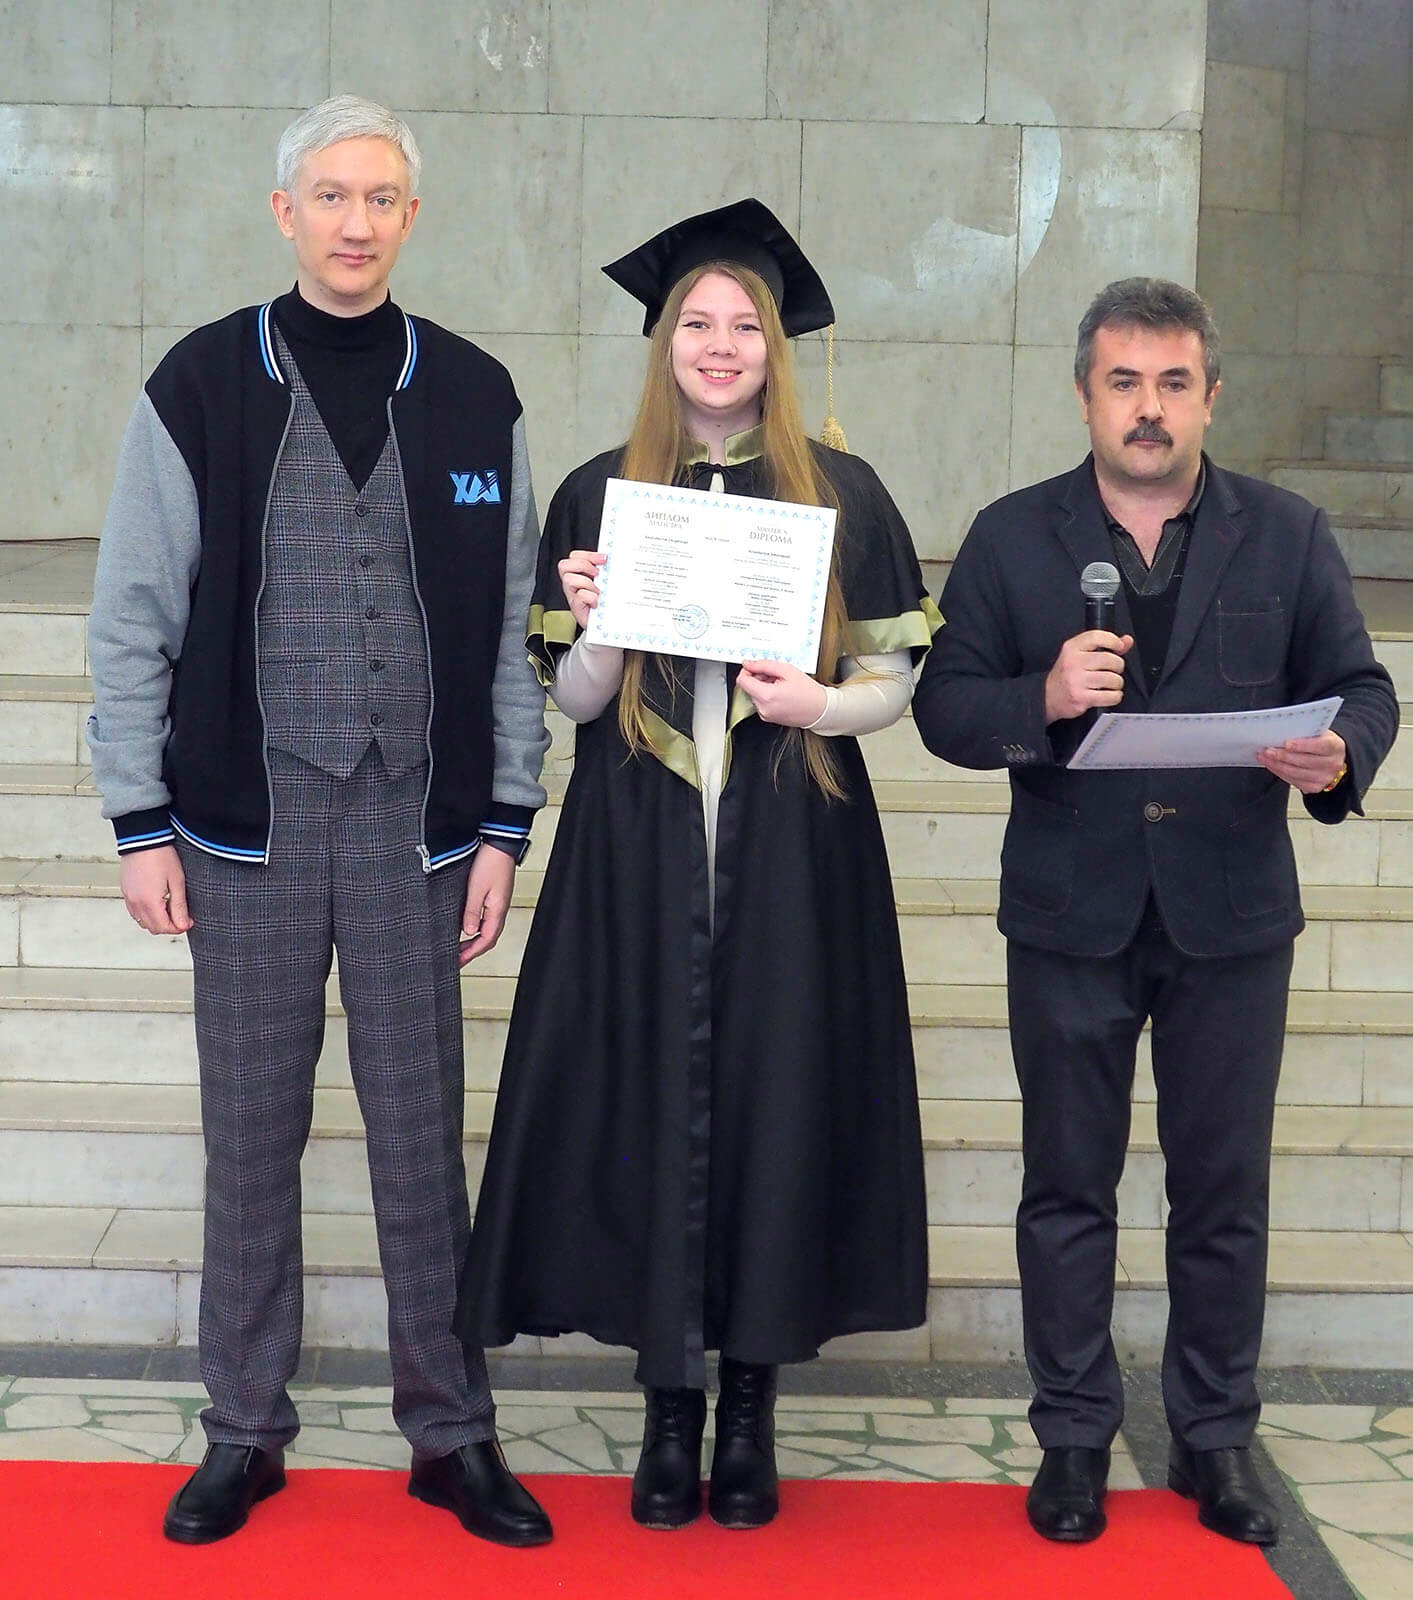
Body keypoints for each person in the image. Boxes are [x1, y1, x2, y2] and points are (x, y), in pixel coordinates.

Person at [86, 95, 553, 1548]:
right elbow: (132, 616)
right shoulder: (197, 383)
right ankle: (244, 1430)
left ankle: (451, 1434)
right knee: (250, 1137)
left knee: (421, 1144)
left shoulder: (476, 395)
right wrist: (139, 820)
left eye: (382, 198)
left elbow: (510, 634)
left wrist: (505, 821)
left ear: (413, 217)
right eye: (332, 196)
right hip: (248, 824)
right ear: (284, 211)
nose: (357, 222)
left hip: (420, 825)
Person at [456, 199, 937, 1531]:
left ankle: (750, 1414)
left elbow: (895, 676)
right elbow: (572, 696)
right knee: (640, 1101)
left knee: (779, 1107)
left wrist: (819, 704)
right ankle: (669, 1411)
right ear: (663, 341)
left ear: (776, 347)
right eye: (697, 324)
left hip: (795, 837)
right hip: (637, 841)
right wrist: (601, 619)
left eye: (745, 326)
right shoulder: (601, 492)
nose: (720, 346)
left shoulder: (842, 492)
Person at [912, 278, 1398, 1548]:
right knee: (1066, 1187)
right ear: (1085, 395)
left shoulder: (1285, 533)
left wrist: (1339, 755)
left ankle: (1214, 1436)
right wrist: (1043, 693)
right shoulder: (1012, 536)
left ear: (1210, 397)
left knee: (1222, 1192)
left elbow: (1363, 688)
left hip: (1230, 917)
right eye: (1124, 382)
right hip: (1069, 912)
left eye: (1174, 383)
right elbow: (945, 705)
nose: (1149, 407)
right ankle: (1074, 1435)